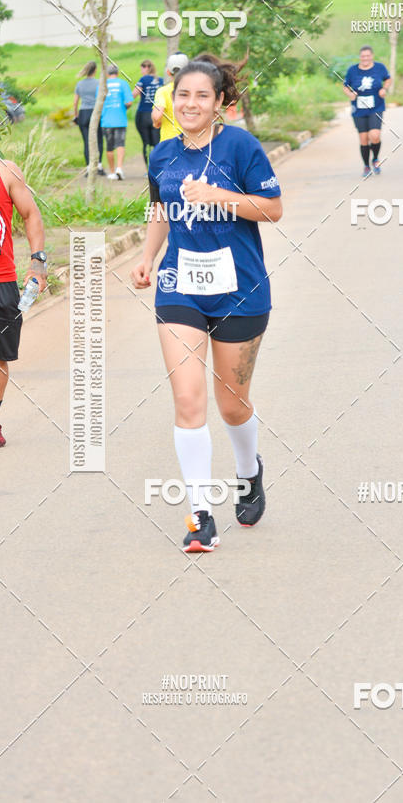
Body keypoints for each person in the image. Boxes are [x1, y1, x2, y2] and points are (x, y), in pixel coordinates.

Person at [131, 57, 282, 552]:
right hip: (180, 286)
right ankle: (200, 515)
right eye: (183, 95)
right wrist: (148, 256)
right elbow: (160, 209)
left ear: (220, 103)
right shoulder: (163, 155)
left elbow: (273, 208)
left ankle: (247, 472)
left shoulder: (241, 146)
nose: (191, 103)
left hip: (241, 288)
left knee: (231, 405)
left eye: (202, 96)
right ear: (172, 99)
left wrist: (218, 194)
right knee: (188, 401)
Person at [0, 157, 48, 447]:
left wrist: (37, 263)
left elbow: (31, 214)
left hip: (2, 281)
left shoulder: (6, 171)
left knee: (0, 357)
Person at [343, 46, 391, 177]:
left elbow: (388, 79)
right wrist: (350, 94)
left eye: (367, 56)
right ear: (360, 57)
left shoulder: (379, 68)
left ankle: (375, 158)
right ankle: (366, 166)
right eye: (363, 56)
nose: (365, 58)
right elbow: (345, 86)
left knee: (374, 135)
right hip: (359, 109)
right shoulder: (353, 70)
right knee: (363, 138)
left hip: (376, 107)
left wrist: (384, 89)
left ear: (372, 56)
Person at [100, 64, 133, 179]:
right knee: (120, 144)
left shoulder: (103, 85)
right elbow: (129, 102)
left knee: (109, 147)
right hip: (120, 119)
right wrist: (123, 108)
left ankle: (113, 171)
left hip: (106, 120)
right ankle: (119, 168)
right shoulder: (123, 83)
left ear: (107, 74)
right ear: (117, 73)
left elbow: (98, 102)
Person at [73, 61, 105, 176]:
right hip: (96, 112)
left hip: (83, 113)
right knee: (99, 140)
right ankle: (99, 166)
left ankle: (88, 168)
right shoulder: (99, 83)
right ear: (95, 70)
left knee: (87, 141)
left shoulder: (79, 84)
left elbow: (75, 102)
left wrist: (76, 115)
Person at [152, 52, 189, 142]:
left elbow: (157, 116)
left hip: (169, 143)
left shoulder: (162, 91)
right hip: (191, 142)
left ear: (168, 72)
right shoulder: (196, 91)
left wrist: (156, 122)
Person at [133, 60, 163, 166]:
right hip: (157, 114)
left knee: (146, 143)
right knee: (157, 143)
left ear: (146, 67)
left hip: (143, 114)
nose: (141, 71)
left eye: (142, 68)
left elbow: (134, 94)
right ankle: (158, 167)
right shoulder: (161, 80)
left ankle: (148, 169)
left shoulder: (143, 80)